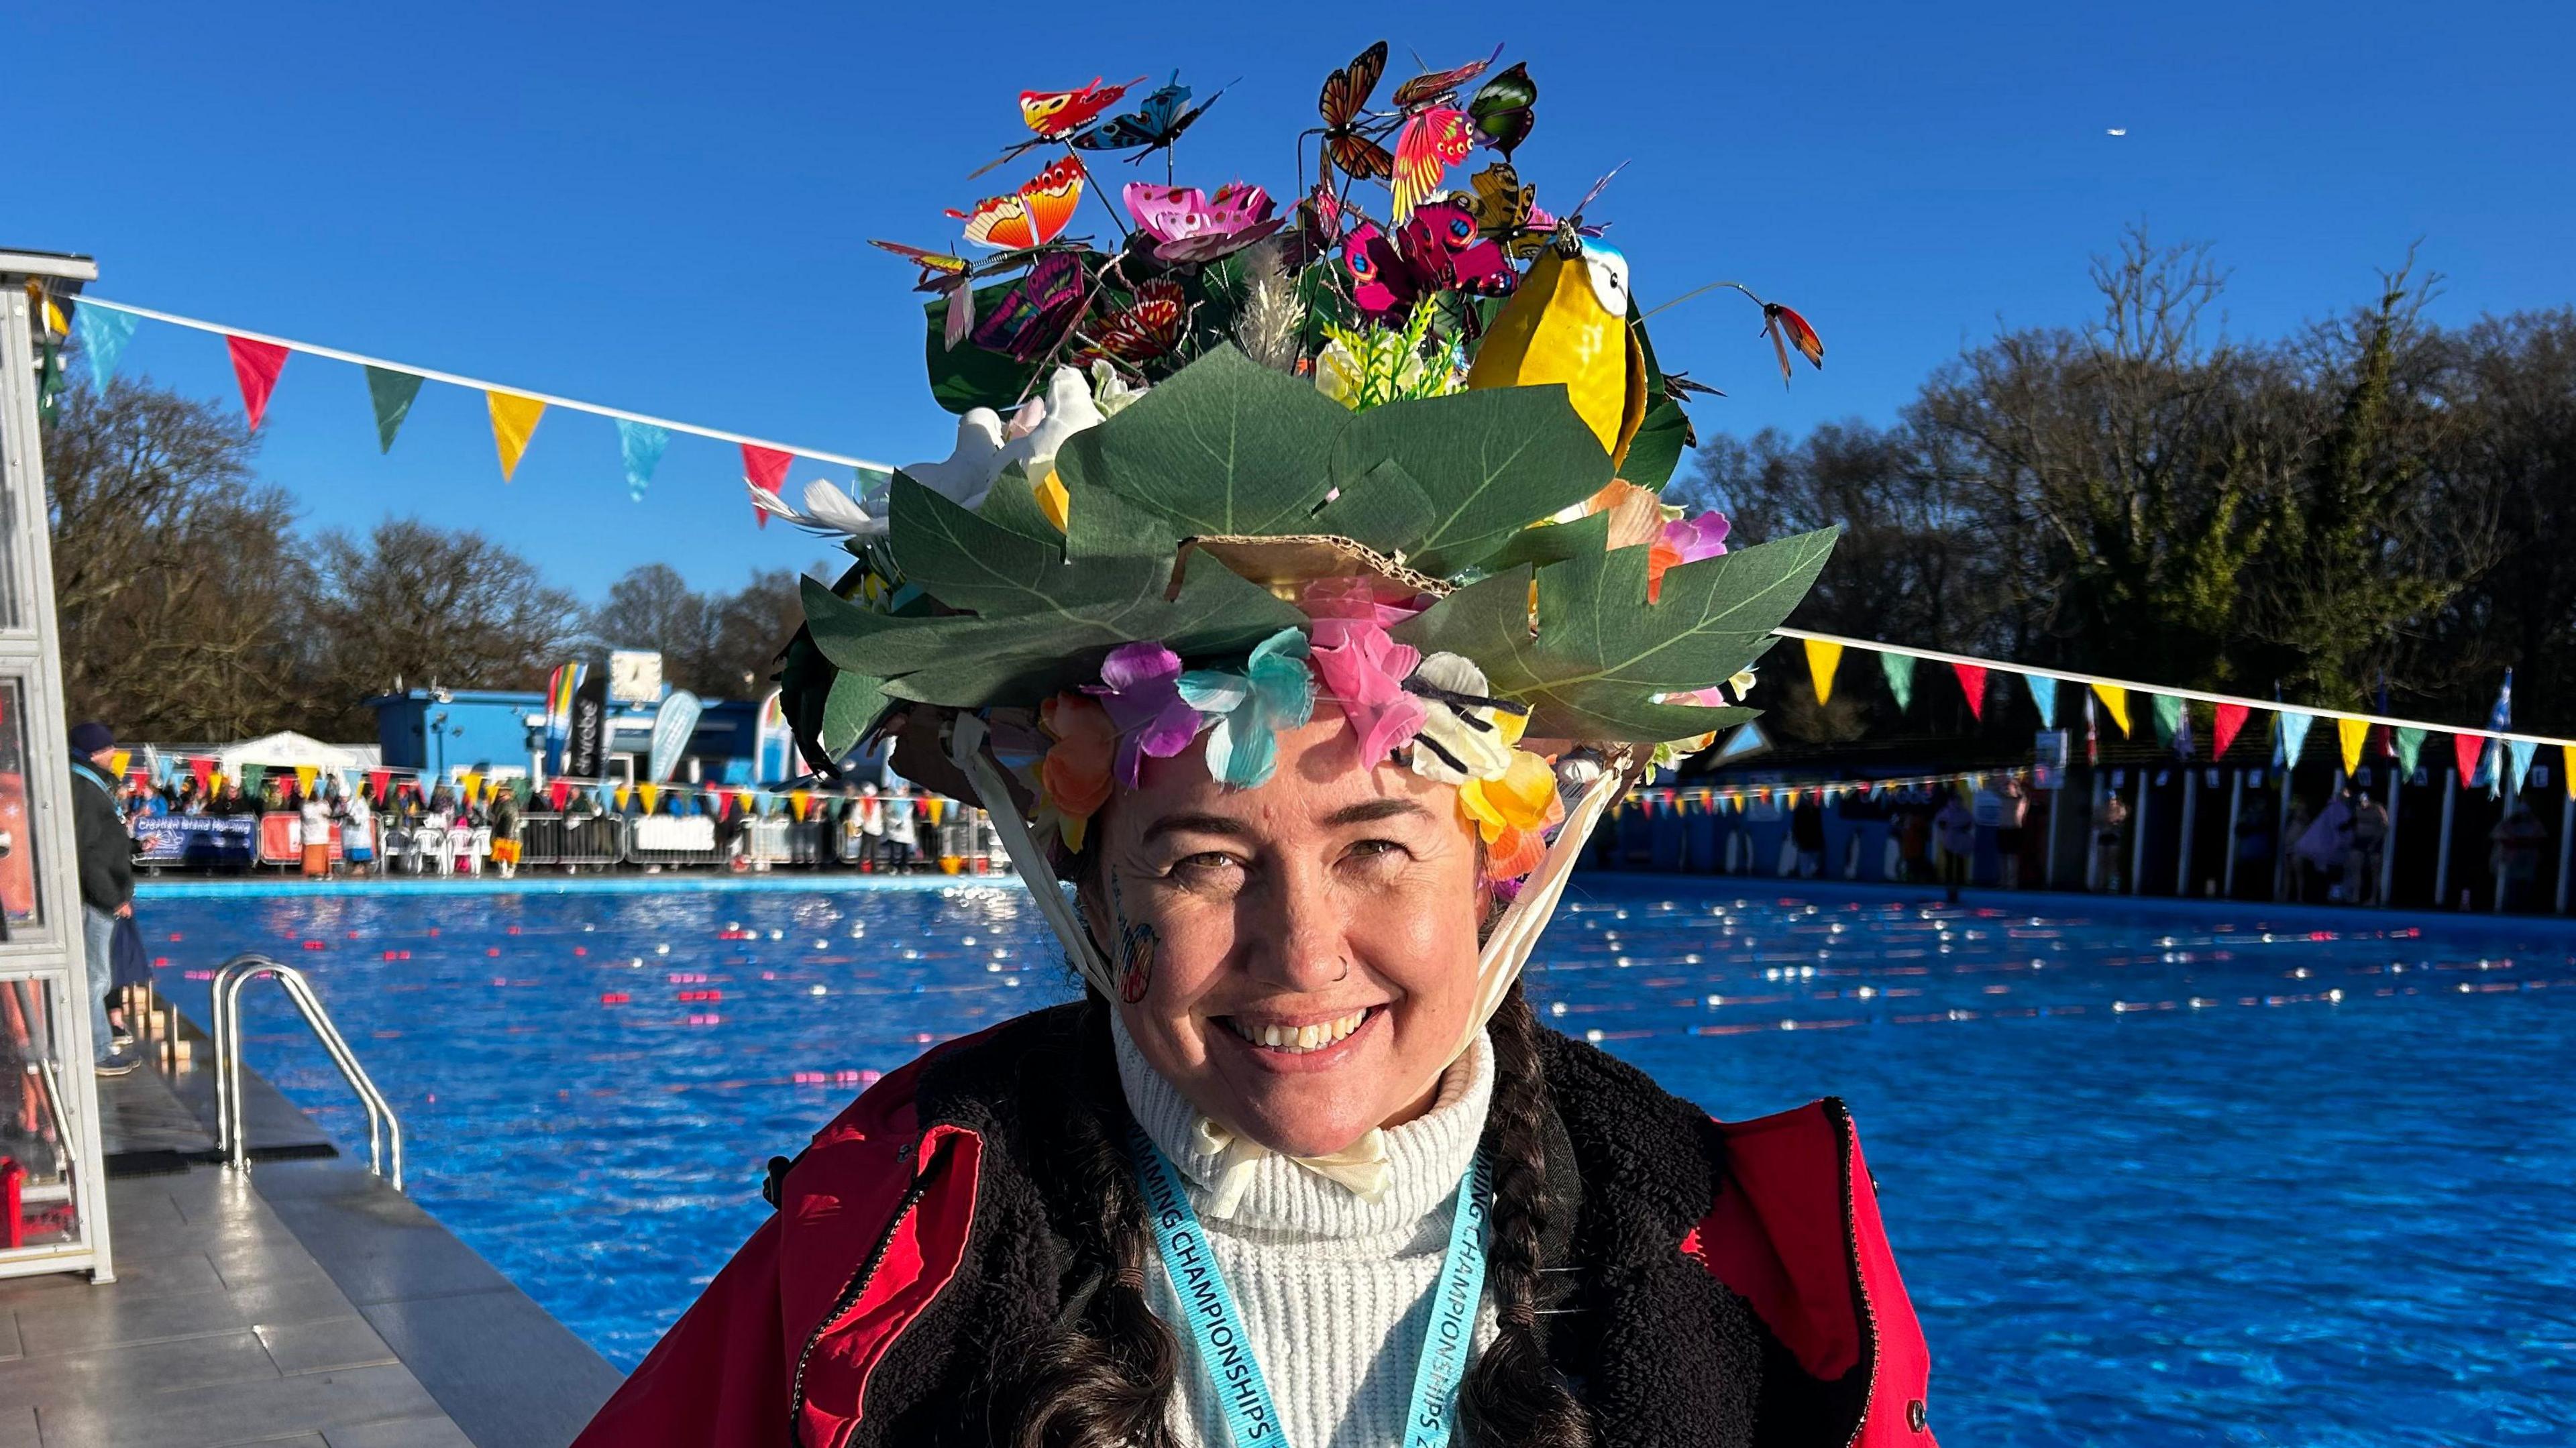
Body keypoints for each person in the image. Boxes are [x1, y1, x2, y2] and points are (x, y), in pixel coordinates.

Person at [574, 159, 1934, 1442]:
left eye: (1378, 848)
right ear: (1096, 891)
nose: (1303, 953)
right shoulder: (885, 1238)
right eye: (1205, 860)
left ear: (1495, 870)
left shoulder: (1739, 1254)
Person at [68, 722, 140, 1076]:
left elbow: (105, 841)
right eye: (110, 748)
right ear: (95, 752)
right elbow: (87, 852)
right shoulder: (82, 787)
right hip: (96, 897)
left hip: (103, 893)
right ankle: (96, 1051)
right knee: (95, 976)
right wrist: (112, 898)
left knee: (99, 974)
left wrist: (134, 849)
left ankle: (98, 1045)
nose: (115, 754)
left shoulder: (92, 784)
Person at [2489, 800, 2548, 912]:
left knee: (2525, 885)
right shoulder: (2507, 824)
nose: (2523, 817)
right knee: (2512, 885)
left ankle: (2523, 906)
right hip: (2512, 861)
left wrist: (2525, 843)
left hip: (2527, 860)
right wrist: (2515, 843)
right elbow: (2499, 836)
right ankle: (2509, 906)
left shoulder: (2534, 824)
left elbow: (2540, 838)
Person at [2345, 789, 2389, 905]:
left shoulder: (2378, 808)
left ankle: (2373, 898)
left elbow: (2385, 826)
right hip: (2360, 841)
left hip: (2374, 842)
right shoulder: (2357, 809)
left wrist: (2376, 841)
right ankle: (2356, 896)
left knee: (2375, 870)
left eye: (2365, 802)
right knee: (2356, 869)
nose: (2363, 805)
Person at [1933, 789, 1975, 899]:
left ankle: (1960, 881)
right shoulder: (1946, 812)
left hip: (1960, 840)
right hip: (1950, 839)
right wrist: (1951, 828)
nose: (1958, 803)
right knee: (1950, 862)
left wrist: (1959, 828)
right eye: (1956, 800)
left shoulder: (1964, 812)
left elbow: (1969, 824)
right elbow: (1940, 823)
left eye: (1959, 800)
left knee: (1960, 862)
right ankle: (1949, 881)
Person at [2094, 789, 2130, 893]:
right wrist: (2104, 823)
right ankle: (2102, 883)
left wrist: (2113, 824)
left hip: (2113, 836)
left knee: (2112, 862)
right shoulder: (2100, 810)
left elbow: (2121, 823)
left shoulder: (2119, 809)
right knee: (2102, 861)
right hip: (2104, 836)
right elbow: (2095, 823)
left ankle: (2111, 884)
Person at [880, 780, 918, 873]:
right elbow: (888, 815)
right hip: (895, 829)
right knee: (894, 849)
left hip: (906, 830)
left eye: (906, 789)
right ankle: (893, 866)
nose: (906, 791)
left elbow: (910, 815)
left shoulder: (909, 802)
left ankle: (904, 866)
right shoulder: (893, 802)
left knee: (905, 849)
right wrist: (896, 823)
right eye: (904, 789)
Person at [298, 784, 333, 878]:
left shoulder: (323, 804)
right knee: (313, 856)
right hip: (311, 836)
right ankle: (315, 873)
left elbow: (329, 814)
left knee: (322, 855)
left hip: (322, 835)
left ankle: (325, 872)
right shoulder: (306, 805)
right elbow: (308, 816)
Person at [1788, 792, 1826, 879]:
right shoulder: (1802, 811)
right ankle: (1805, 876)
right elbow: (1796, 826)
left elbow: (1818, 826)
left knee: (1812, 861)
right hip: (1805, 840)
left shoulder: (1816, 810)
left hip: (1814, 840)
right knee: (1805, 861)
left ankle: (1810, 875)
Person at [488, 783, 523, 879]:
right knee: (506, 853)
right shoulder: (512, 802)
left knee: (506, 852)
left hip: (506, 832)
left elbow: (497, 817)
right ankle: (508, 871)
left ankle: (508, 871)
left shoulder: (505, 803)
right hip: (509, 832)